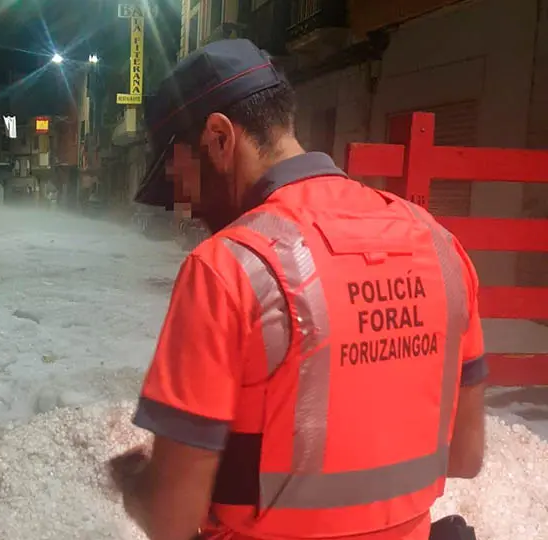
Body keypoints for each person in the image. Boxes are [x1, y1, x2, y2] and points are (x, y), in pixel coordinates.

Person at [108, 39, 486, 540]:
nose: (186, 207)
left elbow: (171, 519)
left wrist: (135, 482)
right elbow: (465, 455)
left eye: (182, 181)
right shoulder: (441, 248)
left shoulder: (228, 269)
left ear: (220, 139)